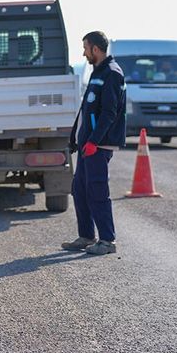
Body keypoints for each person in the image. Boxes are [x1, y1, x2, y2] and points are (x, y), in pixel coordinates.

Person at [63, 31, 126, 255]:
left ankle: (107, 241)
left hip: (98, 146)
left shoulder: (111, 73)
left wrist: (94, 141)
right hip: (87, 145)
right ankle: (86, 236)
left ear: (95, 49)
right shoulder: (97, 72)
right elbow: (87, 110)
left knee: (97, 191)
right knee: (80, 190)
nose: (83, 53)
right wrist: (75, 138)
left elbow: (109, 113)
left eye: (85, 48)